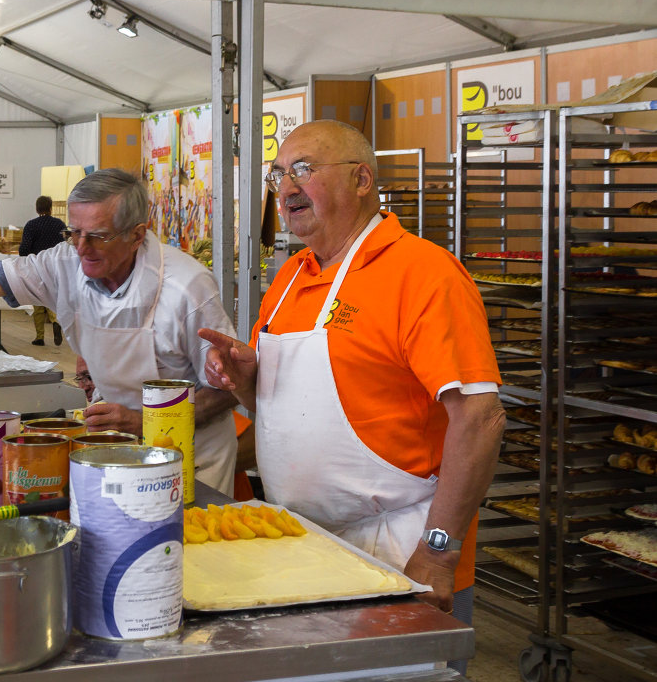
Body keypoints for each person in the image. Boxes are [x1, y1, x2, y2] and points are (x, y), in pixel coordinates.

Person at [201, 120, 506, 625]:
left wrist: (438, 550)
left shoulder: (423, 273)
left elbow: (480, 420)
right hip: (303, 543)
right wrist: (249, 380)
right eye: (278, 175)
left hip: (400, 548)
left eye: (304, 170)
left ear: (362, 180)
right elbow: (289, 415)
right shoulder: (291, 277)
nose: (287, 188)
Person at [0, 168, 240, 494]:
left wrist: (142, 421)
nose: (82, 248)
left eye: (98, 235)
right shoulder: (66, 263)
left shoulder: (187, 287)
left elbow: (228, 389)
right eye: (74, 232)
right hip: (116, 446)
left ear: (137, 235)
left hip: (189, 455)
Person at [19, 194, 66, 346]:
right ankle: (56, 321)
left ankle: (39, 337)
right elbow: (65, 245)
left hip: (36, 267)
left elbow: (24, 248)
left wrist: (27, 256)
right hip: (54, 267)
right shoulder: (59, 224)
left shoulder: (31, 225)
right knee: (52, 297)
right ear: (51, 208)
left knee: (37, 300)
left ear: (37, 208)